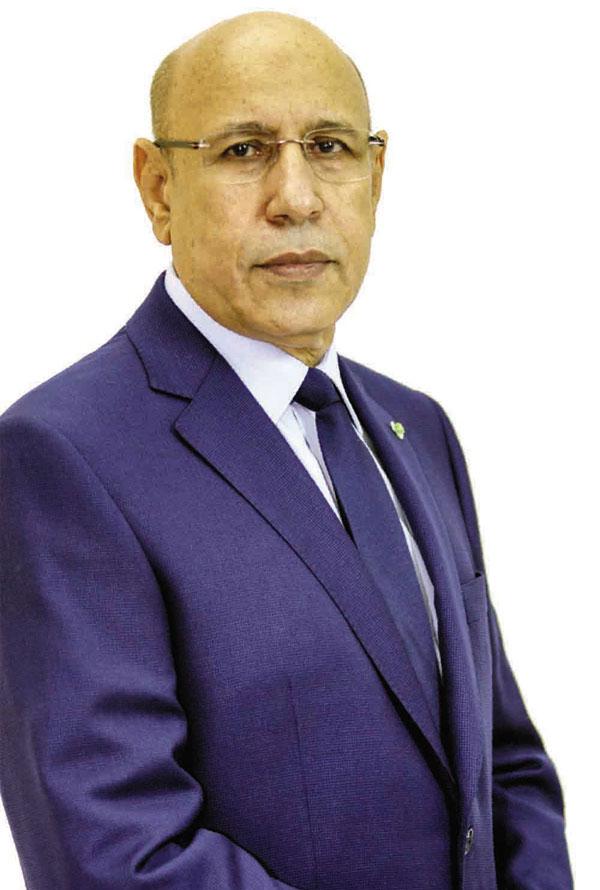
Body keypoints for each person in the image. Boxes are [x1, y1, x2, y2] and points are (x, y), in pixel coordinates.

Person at [0, 11, 573, 890]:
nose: (297, 198)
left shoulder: (417, 428)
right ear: (158, 188)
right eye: (243, 151)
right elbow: (120, 856)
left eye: (330, 147)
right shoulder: (63, 457)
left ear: (376, 176)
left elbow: (504, 769)